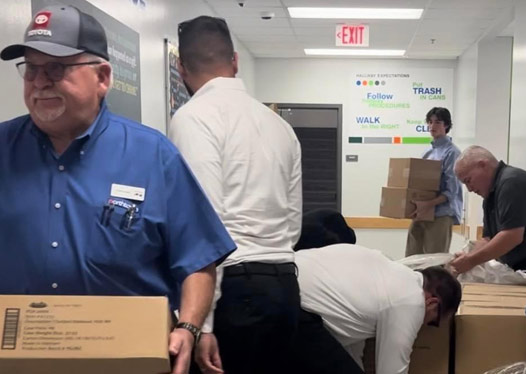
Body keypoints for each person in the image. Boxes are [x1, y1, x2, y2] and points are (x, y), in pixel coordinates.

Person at [0, 6, 236, 374]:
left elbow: (198, 260)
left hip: (128, 361)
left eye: (57, 69)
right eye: (31, 70)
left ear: (103, 77)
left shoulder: (153, 155)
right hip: (18, 360)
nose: (40, 82)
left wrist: (189, 327)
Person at [169, 16, 302, 374]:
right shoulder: (280, 126)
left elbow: (203, 221)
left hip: (233, 293)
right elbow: (292, 222)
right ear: (235, 61)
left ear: (180, 67)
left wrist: (201, 323)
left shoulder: (192, 118)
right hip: (285, 287)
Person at [294, 243, 462, 374]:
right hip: (295, 308)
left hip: (281, 280)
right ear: (432, 303)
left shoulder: (386, 271)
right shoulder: (410, 300)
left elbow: (351, 349)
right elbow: (392, 370)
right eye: (433, 322)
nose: (426, 326)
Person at [450, 145, 526, 273]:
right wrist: (468, 256)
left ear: (482, 165)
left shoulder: (511, 182)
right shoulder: (490, 195)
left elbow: (512, 236)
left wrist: (471, 260)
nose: (469, 188)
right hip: (522, 267)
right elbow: (488, 238)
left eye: (468, 180)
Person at [406, 107, 463, 256]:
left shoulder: (452, 153)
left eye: (437, 122)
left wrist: (428, 204)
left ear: (446, 125)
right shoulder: (428, 152)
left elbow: (452, 191)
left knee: (434, 261)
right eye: (430, 122)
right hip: (422, 212)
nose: (432, 126)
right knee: (412, 258)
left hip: (441, 213)